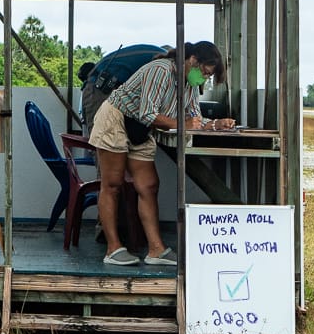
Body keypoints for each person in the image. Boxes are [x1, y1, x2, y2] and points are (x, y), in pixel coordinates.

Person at [87, 41, 236, 266]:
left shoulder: (190, 83)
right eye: (204, 72)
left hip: (140, 128)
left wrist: (216, 124)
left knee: (148, 185)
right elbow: (149, 114)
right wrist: (184, 123)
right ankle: (113, 248)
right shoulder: (161, 70)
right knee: (112, 184)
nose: (204, 78)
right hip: (116, 118)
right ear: (192, 60)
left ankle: (156, 249)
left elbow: (194, 118)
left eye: (208, 76)